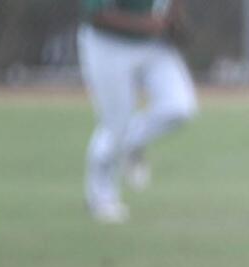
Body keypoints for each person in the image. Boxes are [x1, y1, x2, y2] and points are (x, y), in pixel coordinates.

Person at [77, 0, 197, 223]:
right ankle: (100, 198)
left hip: (154, 45)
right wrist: (151, 25)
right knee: (115, 124)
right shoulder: (144, 26)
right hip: (108, 45)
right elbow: (98, 15)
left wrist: (175, 19)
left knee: (179, 107)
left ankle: (130, 145)